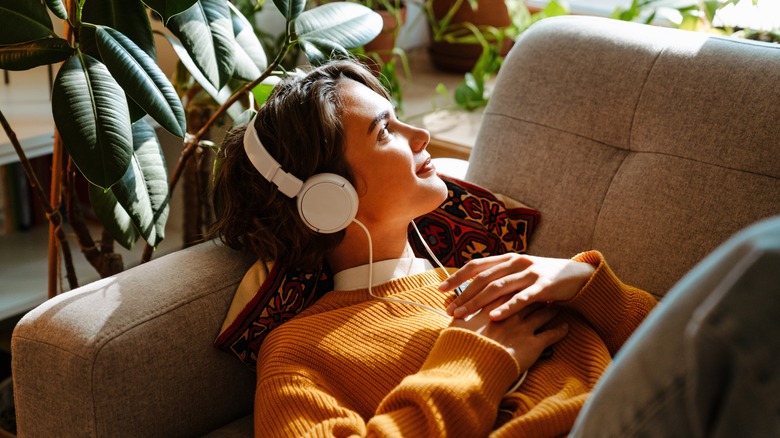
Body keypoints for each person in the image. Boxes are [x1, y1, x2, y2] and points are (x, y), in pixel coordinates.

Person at [210, 60, 657, 437]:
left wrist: (584, 283)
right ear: (328, 199)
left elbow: (678, 339)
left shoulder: (497, 274)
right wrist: (476, 363)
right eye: (385, 131)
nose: (420, 134)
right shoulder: (297, 352)